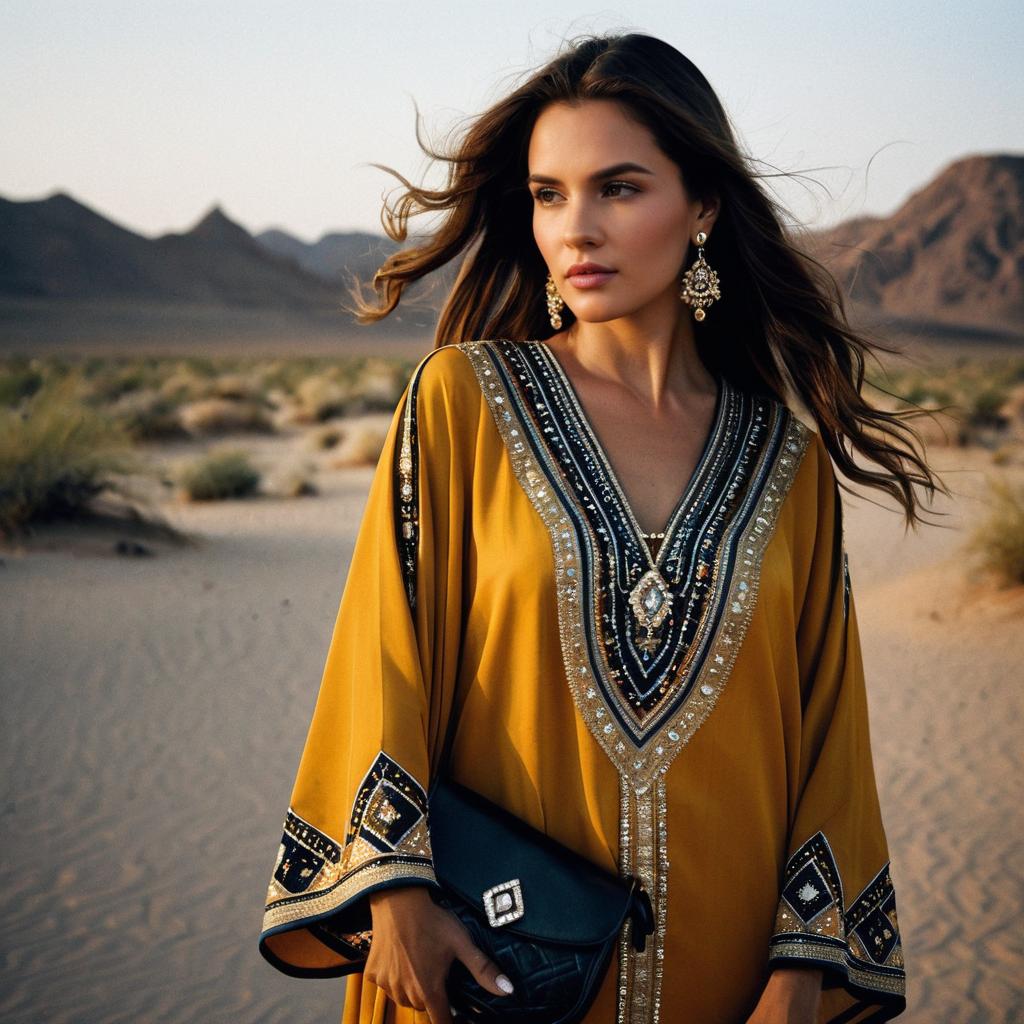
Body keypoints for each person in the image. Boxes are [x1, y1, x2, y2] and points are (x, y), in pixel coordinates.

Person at [258, 31, 945, 1024]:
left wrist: (803, 973)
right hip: (488, 967)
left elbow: (830, 739)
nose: (575, 229)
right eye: (548, 194)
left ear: (702, 204)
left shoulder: (787, 464)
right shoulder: (461, 403)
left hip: (731, 975)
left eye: (618, 188)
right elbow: (379, 660)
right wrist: (394, 892)